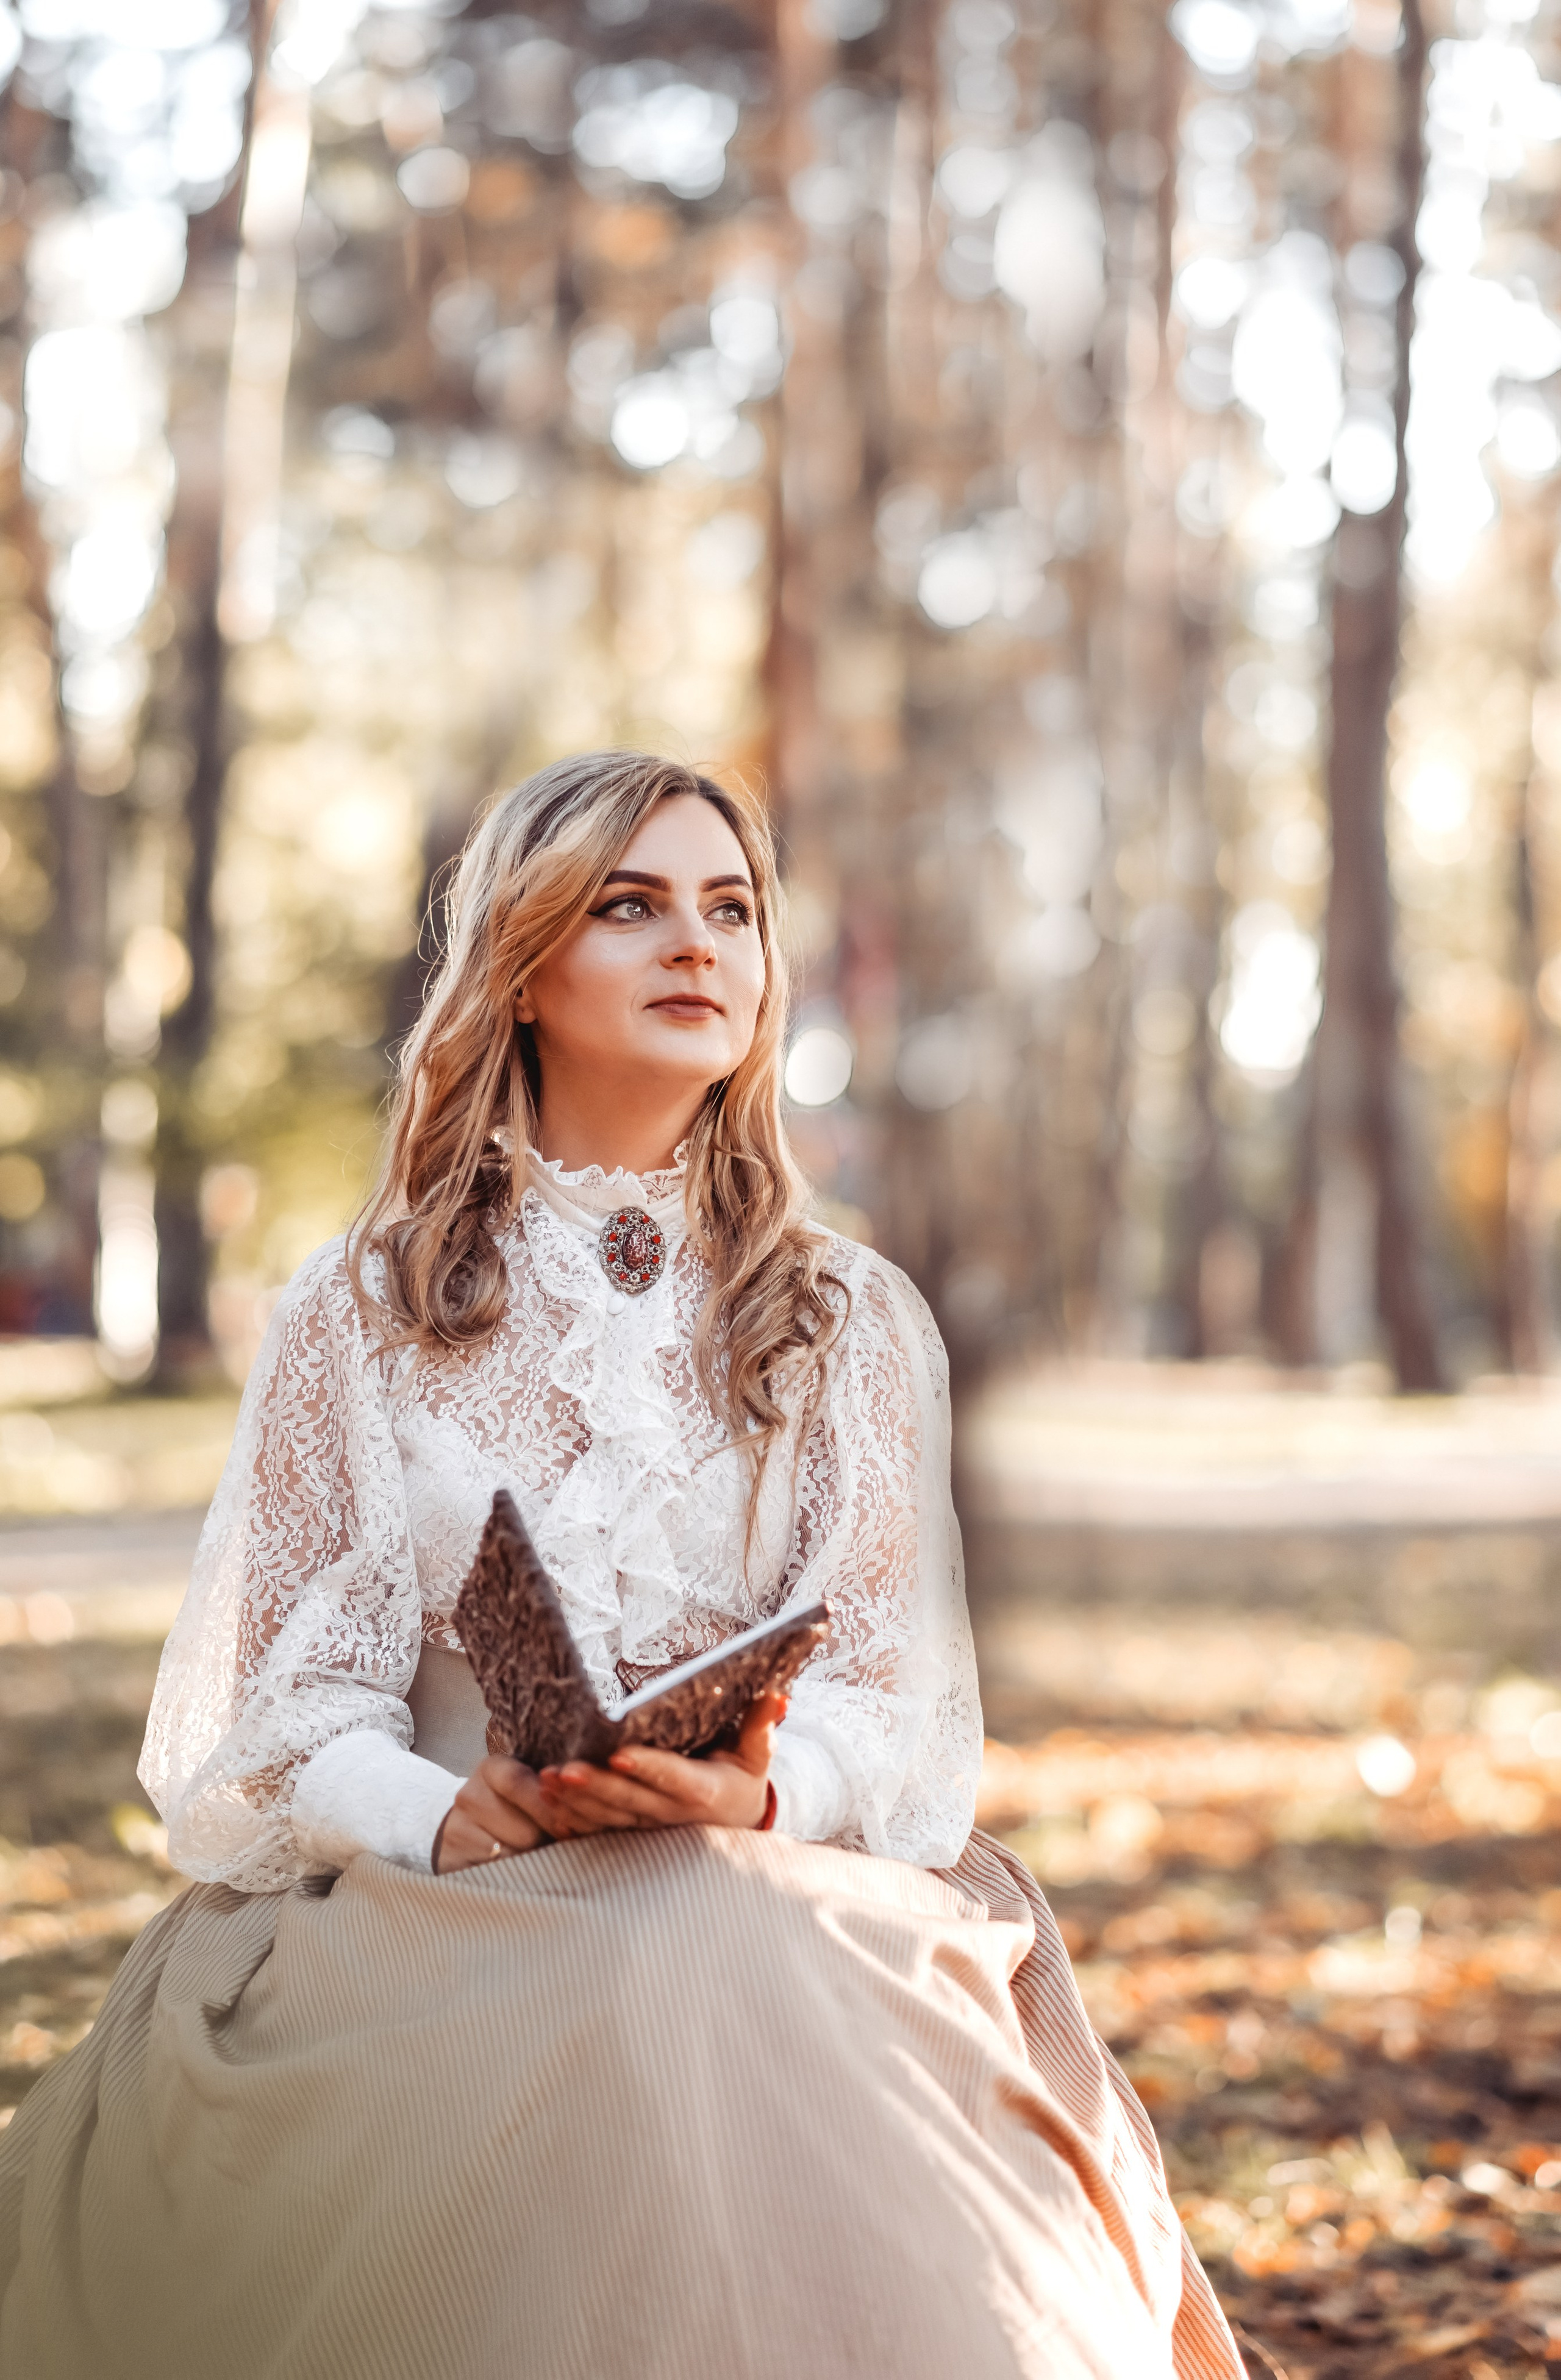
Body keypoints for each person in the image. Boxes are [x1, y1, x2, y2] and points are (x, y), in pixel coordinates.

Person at [0, 752, 1244, 2380]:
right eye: (631, 906)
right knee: (631, 1985)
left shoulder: (850, 1319)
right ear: (522, 967)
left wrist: (764, 1797)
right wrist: (440, 1811)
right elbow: (289, 1704)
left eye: (731, 910)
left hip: (775, 1880)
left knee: (709, 1946)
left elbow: (894, 1694)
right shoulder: (358, 1309)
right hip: (441, 1895)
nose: (697, 945)